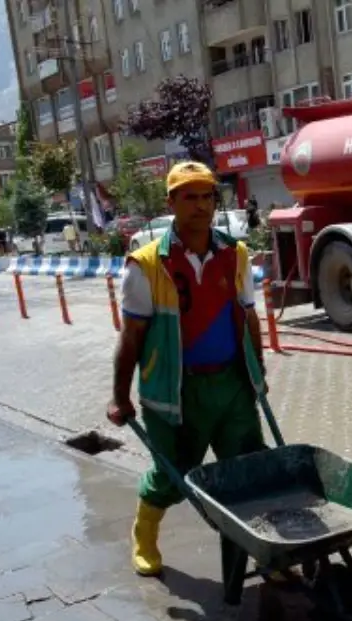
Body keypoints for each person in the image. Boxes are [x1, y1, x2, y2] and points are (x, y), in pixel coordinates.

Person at [106, 161, 268, 578]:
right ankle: (143, 534)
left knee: (248, 470)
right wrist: (120, 396)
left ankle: (268, 553)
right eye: (189, 196)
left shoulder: (236, 253)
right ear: (171, 202)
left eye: (207, 196)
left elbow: (249, 317)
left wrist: (258, 374)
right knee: (172, 474)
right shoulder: (145, 264)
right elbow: (132, 337)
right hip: (175, 390)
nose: (200, 205)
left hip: (232, 385)